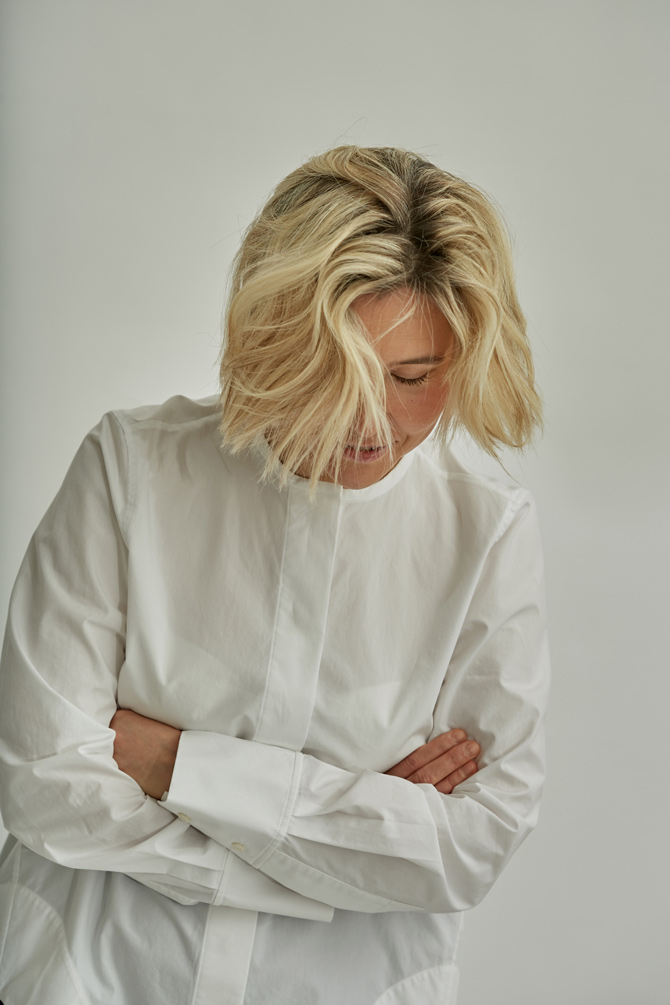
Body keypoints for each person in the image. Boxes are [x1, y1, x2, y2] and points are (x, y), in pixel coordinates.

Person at [0, 145, 549, 1004]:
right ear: (270, 342)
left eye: (412, 377)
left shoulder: (487, 533)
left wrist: (173, 763)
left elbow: (471, 843)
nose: (374, 420)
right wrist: (354, 831)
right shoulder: (131, 467)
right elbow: (42, 781)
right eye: (338, 373)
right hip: (92, 974)